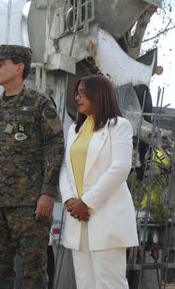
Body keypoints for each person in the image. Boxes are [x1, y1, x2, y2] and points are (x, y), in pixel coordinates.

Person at [0, 44, 64, 288]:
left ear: (19, 67)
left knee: (33, 273)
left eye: (1, 63)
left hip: (29, 204)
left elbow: (55, 148)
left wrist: (47, 192)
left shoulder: (40, 104)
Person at [58, 74, 138, 288]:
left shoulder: (119, 126)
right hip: (78, 219)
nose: (77, 97)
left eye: (83, 93)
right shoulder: (74, 130)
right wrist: (69, 201)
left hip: (107, 218)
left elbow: (120, 168)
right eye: (77, 93)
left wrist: (87, 202)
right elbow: (66, 168)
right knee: (85, 283)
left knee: (110, 283)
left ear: (99, 95)